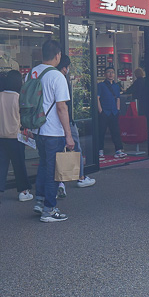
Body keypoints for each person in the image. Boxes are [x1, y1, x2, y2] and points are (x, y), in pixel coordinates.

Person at [29, 40, 76, 221]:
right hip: (53, 131)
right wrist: (68, 135)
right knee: (53, 170)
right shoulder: (57, 76)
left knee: (43, 165)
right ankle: (49, 209)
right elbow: (61, 108)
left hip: (37, 129)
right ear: (58, 55)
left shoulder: (32, 73)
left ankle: (40, 201)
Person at [0, 69, 33, 201]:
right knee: (19, 164)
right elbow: (23, 118)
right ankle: (23, 191)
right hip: (16, 136)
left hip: (1, 136)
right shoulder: (19, 97)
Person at [56, 55, 95, 198]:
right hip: (66, 120)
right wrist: (68, 131)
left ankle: (59, 183)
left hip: (51, 123)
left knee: (57, 152)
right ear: (64, 67)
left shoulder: (45, 77)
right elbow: (63, 106)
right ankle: (81, 177)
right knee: (75, 148)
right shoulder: (61, 80)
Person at [96, 66, 126, 159]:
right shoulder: (101, 85)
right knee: (101, 132)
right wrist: (100, 111)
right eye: (108, 72)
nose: (110, 74)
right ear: (105, 74)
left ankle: (118, 150)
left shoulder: (116, 86)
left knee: (116, 132)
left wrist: (118, 109)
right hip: (104, 111)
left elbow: (118, 98)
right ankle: (100, 151)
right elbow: (97, 98)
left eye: (112, 72)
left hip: (114, 112)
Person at [126, 67, 149, 155]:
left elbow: (130, 90)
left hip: (140, 103)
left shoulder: (137, 82)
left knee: (140, 119)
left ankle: (142, 134)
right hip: (147, 103)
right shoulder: (146, 81)